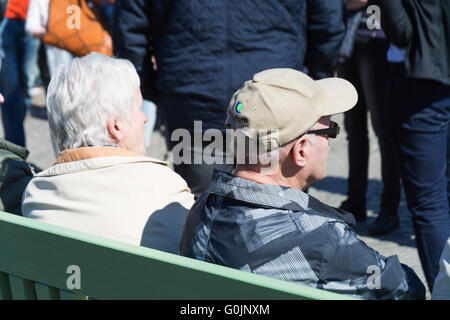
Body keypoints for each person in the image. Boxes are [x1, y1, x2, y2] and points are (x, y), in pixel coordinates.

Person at [180, 68, 425, 300]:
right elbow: (406, 289)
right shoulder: (323, 240)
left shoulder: (202, 209)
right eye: (331, 130)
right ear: (301, 150)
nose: (330, 142)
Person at [113, 0, 347, 198]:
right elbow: (328, 24)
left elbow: (130, 27)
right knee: (277, 216)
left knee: (204, 215)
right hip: (269, 105)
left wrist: (159, 88)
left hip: (197, 100)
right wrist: (309, 89)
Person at [21, 53, 195, 254]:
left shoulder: (37, 194)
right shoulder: (166, 190)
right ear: (116, 127)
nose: (145, 118)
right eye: (138, 109)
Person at [369, 0, 450, 291]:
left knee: (430, 202)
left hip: (421, 81)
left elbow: (402, 31)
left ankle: (445, 293)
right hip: (431, 78)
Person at [338, 0, 402, 236]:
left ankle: (389, 209)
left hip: (378, 41)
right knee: (353, 129)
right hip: (349, 39)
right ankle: (355, 202)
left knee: (384, 130)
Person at [0, 0, 40, 147]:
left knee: (27, 87)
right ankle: (15, 148)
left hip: (32, 20)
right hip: (4, 20)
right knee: (10, 88)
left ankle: (14, 140)